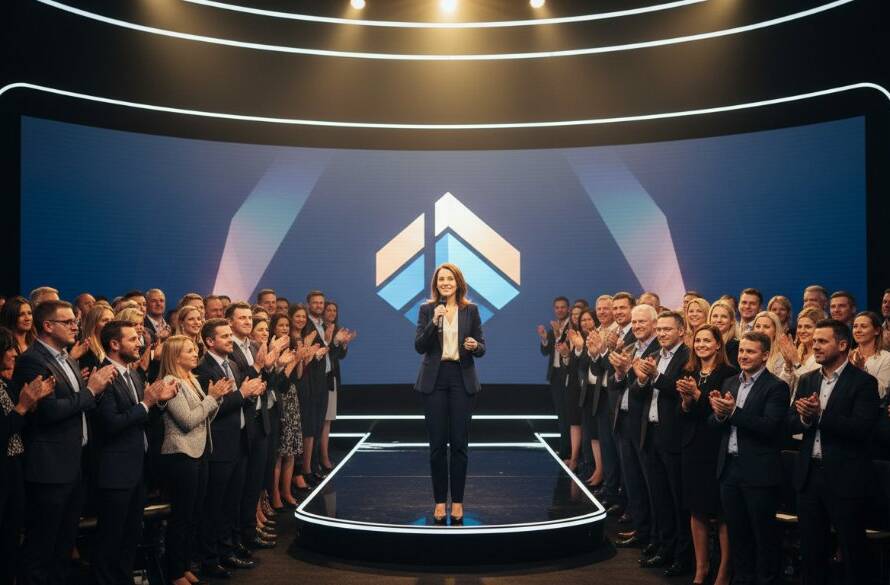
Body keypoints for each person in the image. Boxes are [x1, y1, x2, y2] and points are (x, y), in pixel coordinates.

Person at [12, 300, 117, 585]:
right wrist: (91, 391)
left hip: (74, 463)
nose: (75, 326)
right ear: (47, 326)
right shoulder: (33, 360)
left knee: (64, 542)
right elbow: (49, 412)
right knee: (42, 545)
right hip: (49, 468)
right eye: (68, 322)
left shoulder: (66, 358)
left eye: (75, 321)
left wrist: (96, 392)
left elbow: (76, 404)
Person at [788, 319, 879, 585]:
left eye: (822, 341)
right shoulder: (806, 380)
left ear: (842, 345)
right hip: (809, 477)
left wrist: (819, 416)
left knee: (853, 552)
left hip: (845, 479)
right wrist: (804, 419)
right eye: (814, 341)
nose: (815, 346)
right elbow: (790, 422)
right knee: (811, 550)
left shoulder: (863, 383)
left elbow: (862, 428)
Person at [91, 320, 177, 585]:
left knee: (130, 536)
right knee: (110, 539)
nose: (139, 343)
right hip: (114, 472)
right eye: (132, 339)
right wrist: (146, 402)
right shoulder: (104, 376)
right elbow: (111, 424)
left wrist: (159, 403)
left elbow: (143, 416)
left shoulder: (133, 374)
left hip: (136, 470)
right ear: (114, 344)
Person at [709, 332, 789, 585]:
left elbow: (770, 427)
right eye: (741, 351)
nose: (743, 356)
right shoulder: (730, 382)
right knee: (737, 534)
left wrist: (732, 412)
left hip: (759, 473)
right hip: (730, 470)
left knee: (763, 536)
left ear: (765, 355)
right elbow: (714, 423)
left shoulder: (776, 386)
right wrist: (720, 414)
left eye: (750, 351)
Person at [414, 263, 485, 525]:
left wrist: (475, 345)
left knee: (459, 445)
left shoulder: (471, 310)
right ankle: (438, 502)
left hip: (461, 378)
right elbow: (419, 345)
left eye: (450, 278)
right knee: (436, 447)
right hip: (434, 379)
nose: (445, 283)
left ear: (458, 282)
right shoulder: (427, 310)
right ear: (436, 284)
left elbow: (482, 346)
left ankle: (457, 502)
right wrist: (434, 322)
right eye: (441, 279)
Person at [194, 319, 266, 576]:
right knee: (215, 506)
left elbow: (238, 401)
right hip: (219, 447)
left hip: (240, 441)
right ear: (209, 341)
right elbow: (212, 409)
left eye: (229, 335)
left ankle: (228, 550)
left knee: (231, 504)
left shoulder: (233, 364)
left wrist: (252, 392)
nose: (229, 340)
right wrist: (242, 394)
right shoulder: (203, 369)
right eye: (224, 336)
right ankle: (210, 558)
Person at [159, 335, 226, 585]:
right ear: (176, 356)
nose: (195, 353)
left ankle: (185, 565)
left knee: (194, 515)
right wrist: (211, 398)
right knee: (181, 517)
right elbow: (187, 420)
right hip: (181, 454)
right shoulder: (170, 381)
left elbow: (206, 415)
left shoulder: (191, 379)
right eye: (189, 350)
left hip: (200, 452)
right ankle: (175, 572)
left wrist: (214, 398)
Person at [676, 324, 736, 585]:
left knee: (721, 512)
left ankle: (723, 571)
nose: (700, 345)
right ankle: (701, 569)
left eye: (706, 340)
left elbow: (717, 414)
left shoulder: (729, 373)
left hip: (716, 448)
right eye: (697, 340)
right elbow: (686, 412)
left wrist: (697, 395)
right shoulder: (688, 371)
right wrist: (687, 401)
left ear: (718, 344)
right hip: (692, 447)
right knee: (696, 509)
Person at [634, 311, 692, 576]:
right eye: (659, 329)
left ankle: (682, 556)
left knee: (677, 500)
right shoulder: (655, 356)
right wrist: (642, 379)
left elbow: (679, 388)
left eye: (667, 329)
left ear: (681, 331)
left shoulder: (687, 357)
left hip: (674, 438)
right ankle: (663, 548)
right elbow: (638, 394)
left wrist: (655, 376)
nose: (662, 333)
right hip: (652, 434)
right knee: (659, 498)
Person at [0, 327, 54, 585]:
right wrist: (22, 406)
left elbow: (16, 423)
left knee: (12, 535)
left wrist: (30, 406)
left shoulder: (5, 383)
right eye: (8, 348)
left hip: (14, 467)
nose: (14, 353)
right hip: (5, 469)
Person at [609, 303, 659, 553]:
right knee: (633, 480)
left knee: (650, 482)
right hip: (625, 420)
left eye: (643, 322)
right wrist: (619, 372)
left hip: (644, 425)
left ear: (654, 324)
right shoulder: (628, 347)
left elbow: (647, 389)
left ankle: (654, 534)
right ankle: (641, 529)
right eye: (635, 322)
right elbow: (614, 383)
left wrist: (628, 371)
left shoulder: (658, 351)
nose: (638, 326)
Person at [568, 309, 605, 487]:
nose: (585, 323)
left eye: (589, 319)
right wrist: (579, 348)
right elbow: (579, 366)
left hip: (602, 391)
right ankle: (596, 469)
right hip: (587, 390)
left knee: (600, 434)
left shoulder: (601, 335)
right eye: (582, 320)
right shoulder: (579, 339)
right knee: (592, 434)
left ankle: (601, 471)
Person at [319, 301, 356, 472]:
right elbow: (324, 353)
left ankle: (324, 455)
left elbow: (338, 356)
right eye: (329, 310)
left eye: (335, 310)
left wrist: (344, 344)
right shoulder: (317, 329)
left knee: (327, 420)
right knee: (317, 420)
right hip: (318, 378)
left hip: (331, 377)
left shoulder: (338, 328)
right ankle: (318, 458)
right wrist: (332, 341)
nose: (332, 313)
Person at [537, 296, 572, 459]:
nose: (560, 310)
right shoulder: (553, 328)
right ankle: (565, 450)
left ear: (568, 309)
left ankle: (570, 452)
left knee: (569, 415)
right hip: (555, 376)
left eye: (563, 307)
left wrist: (559, 335)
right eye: (557, 307)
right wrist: (544, 338)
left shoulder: (573, 327)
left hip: (569, 376)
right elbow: (546, 352)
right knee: (561, 415)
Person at [775, 307, 824, 397]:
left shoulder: (823, 355)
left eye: (808, 327)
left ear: (819, 329)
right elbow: (781, 388)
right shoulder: (796, 352)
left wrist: (796, 362)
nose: (802, 331)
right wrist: (788, 365)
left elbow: (812, 386)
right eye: (800, 326)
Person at [850, 311, 890, 397]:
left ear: (877, 331)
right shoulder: (846, 357)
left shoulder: (886, 358)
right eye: (855, 326)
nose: (858, 330)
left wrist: (861, 371)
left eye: (863, 326)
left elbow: (881, 392)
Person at [78, 304, 115, 373]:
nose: (110, 324)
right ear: (93, 324)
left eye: (112, 320)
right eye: (105, 320)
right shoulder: (85, 350)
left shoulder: (111, 347)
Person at [752, 311, 786, 377]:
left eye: (766, 327)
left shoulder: (781, 357)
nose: (761, 330)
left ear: (775, 331)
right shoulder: (746, 352)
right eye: (758, 326)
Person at [708, 300, 739, 366]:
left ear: (732, 321)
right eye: (715, 316)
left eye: (724, 317)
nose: (719, 320)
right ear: (710, 319)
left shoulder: (736, 346)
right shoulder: (703, 343)